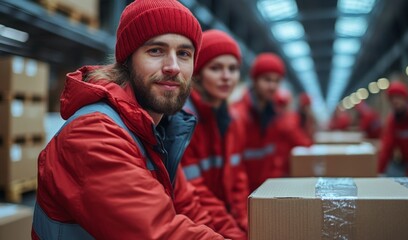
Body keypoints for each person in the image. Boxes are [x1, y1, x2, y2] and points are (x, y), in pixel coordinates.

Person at [31, 1, 225, 239]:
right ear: (127, 60)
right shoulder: (92, 134)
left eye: (184, 54)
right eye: (156, 50)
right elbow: (160, 233)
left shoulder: (156, 132)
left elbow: (193, 211)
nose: (173, 66)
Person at [181, 29, 248, 238]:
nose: (227, 77)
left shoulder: (233, 120)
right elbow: (196, 192)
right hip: (201, 227)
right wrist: (232, 233)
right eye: (216, 68)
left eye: (233, 68)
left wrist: (246, 223)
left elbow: (238, 180)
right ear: (198, 73)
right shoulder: (182, 121)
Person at [232, 53, 312, 192]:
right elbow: (235, 171)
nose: (272, 86)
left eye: (276, 81)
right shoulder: (238, 115)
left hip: (265, 191)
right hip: (245, 195)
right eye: (267, 79)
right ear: (255, 80)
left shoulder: (276, 116)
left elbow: (273, 160)